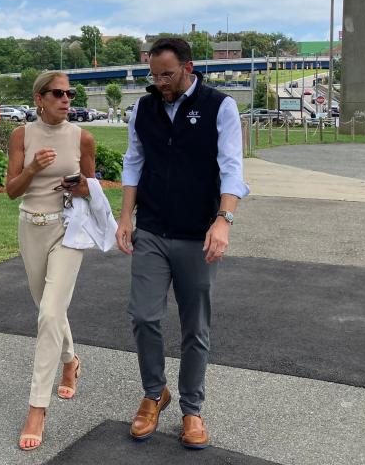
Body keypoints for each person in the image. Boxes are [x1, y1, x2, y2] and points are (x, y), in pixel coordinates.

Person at [116, 37, 248, 450]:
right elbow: (133, 160)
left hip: (198, 234)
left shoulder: (219, 106)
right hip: (152, 229)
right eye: (153, 76)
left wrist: (223, 221)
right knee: (144, 316)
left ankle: (192, 409)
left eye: (167, 74)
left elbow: (231, 167)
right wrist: (125, 217)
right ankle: (155, 394)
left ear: (189, 67)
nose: (160, 83)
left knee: (195, 327)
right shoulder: (144, 106)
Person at [5, 71, 96, 451]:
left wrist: (81, 185)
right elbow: (11, 191)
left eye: (70, 93)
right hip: (31, 226)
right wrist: (33, 169)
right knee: (48, 308)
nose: (66, 99)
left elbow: (93, 189)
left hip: (68, 229)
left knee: (48, 315)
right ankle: (71, 360)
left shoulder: (82, 137)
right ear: (39, 98)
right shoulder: (21, 135)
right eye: (57, 93)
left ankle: (37, 409)